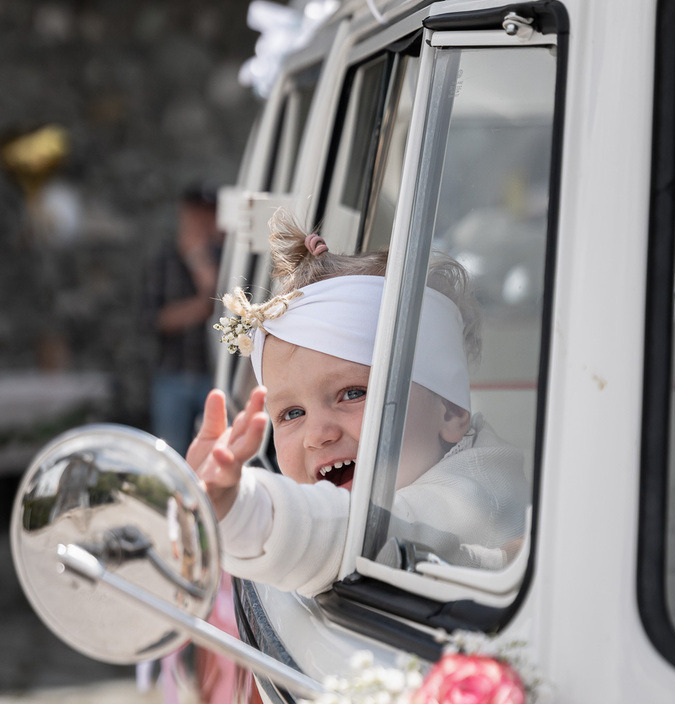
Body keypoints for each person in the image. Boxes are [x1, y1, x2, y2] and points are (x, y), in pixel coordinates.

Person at [186, 213, 529, 597]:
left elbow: (372, 537)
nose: (318, 435)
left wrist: (242, 512)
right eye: (292, 414)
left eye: (352, 393)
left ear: (449, 410)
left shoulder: (476, 492)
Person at [143, 183, 223, 456]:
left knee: (214, 454)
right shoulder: (163, 259)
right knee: (170, 455)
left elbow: (220, 302)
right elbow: (153, 319)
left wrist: (199, 262)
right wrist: (201, 306)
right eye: (196, 212)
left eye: (208, 212)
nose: (202, 220)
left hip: (213, 375)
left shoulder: (225, 257)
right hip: (173, 376)